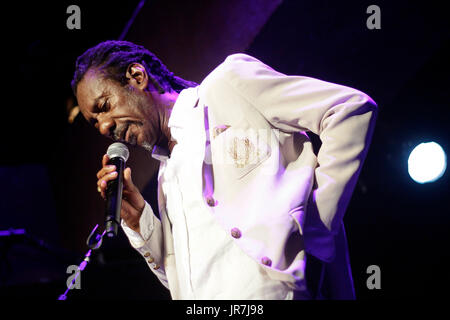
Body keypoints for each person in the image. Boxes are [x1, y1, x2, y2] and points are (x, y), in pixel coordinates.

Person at [72, 40, 377, 300]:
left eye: (104, 106)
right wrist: (139, 222)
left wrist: (316, 227)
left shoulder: (226, 86)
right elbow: (185, 284)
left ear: (137, 76)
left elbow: (349, 109)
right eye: (94, 123)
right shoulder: (166, 176)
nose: (104, 126)